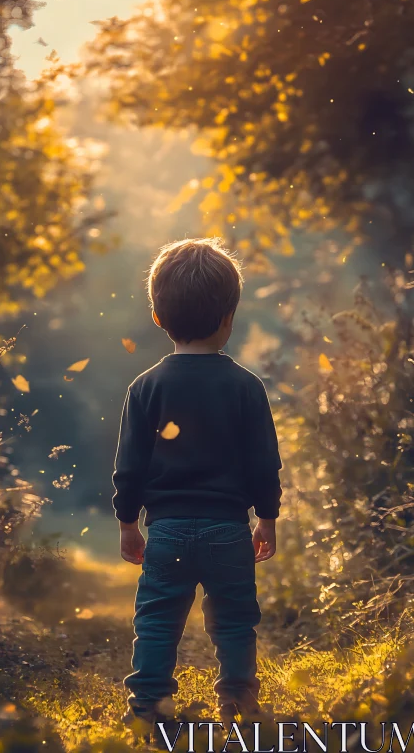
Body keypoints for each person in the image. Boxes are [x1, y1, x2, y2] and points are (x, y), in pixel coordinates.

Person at [112, 237, 282, 734]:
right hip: (228, 531)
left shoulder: (145, 387)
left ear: (158, 317)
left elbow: (129, 466)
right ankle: (238, 702)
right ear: (229, 316)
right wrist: (266, 519)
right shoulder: (247, 386)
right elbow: (263, 463)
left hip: (165, 533)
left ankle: (147, 708)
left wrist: (128, 525)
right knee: (233, 621)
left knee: (158, 621)